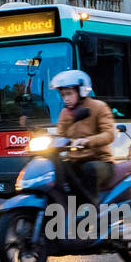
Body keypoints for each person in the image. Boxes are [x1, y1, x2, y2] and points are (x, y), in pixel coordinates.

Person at [50, 70, 116, 203]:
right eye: (63, 95)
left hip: (101, 161)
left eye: (69, 94)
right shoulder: (65, 112)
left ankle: (89, 210)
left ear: (81, 91)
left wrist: (87, 141)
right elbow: (60, 135)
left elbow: (109, 134)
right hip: (75, 161)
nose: (66, 99)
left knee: (89, 169)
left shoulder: (99, 107)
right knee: (54, 169)